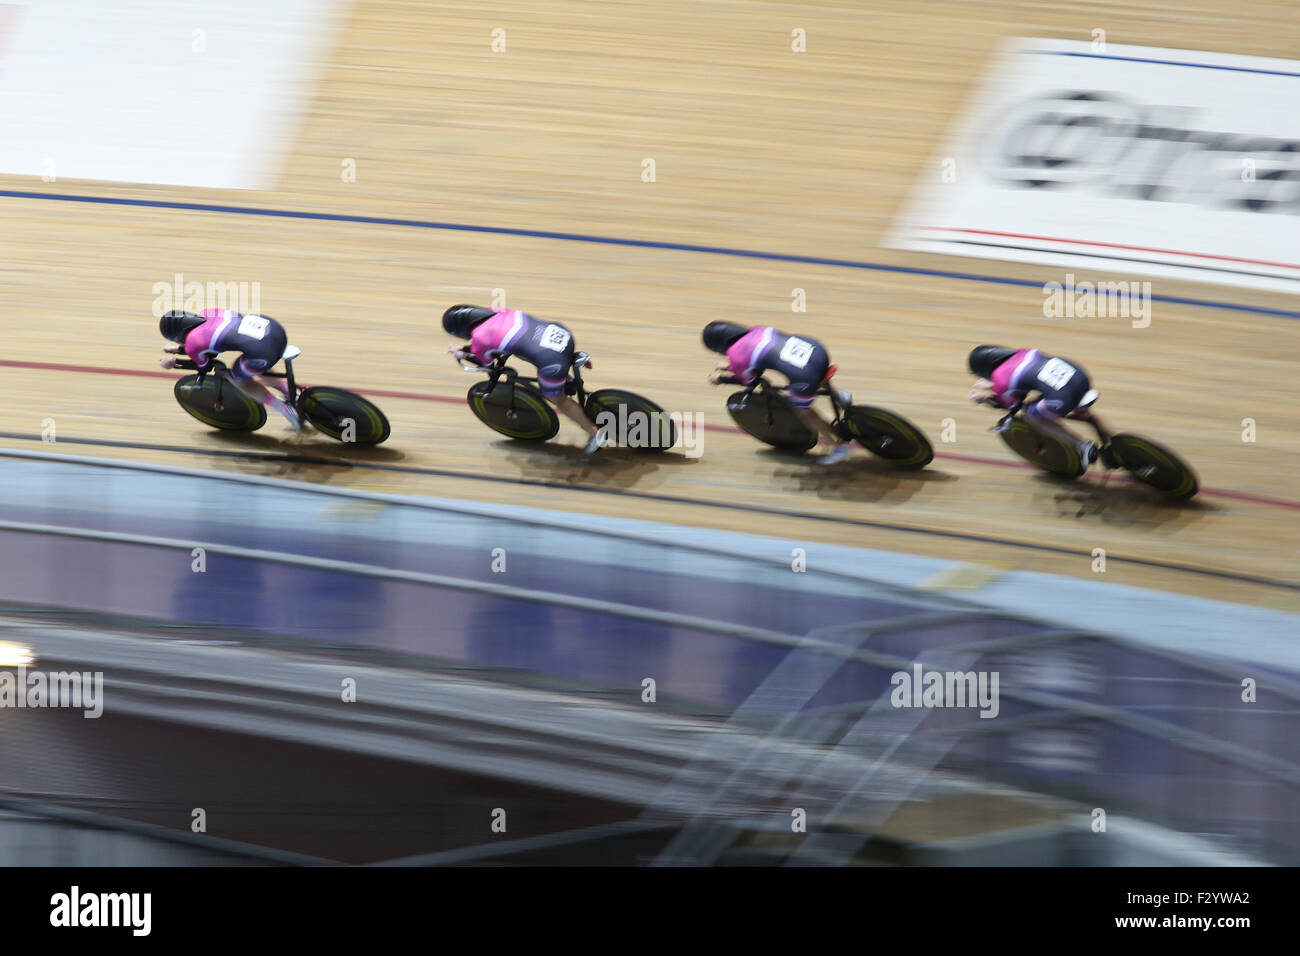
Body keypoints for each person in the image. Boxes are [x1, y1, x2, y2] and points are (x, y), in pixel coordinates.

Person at [443, 305, 606, 453]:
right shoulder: (498, 310)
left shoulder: (479, 338)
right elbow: (504, 339)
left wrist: (463, 353)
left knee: (558, 399)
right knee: (524, 351)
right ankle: (567, 379)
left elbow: (488, 365)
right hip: (560, 333)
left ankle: (595, 434)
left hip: (552, 359)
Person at [702, 322, 852, 464]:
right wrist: (733, 367)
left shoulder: (737, 357)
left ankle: (838, 447)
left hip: (806, 375)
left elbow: (750, 382)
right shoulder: (756, 329)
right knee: (814, 372)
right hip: (817, 350)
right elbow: (755, 359)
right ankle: (839, 397)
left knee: (804, 411)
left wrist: (721, 379)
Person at [966, 345, 1111, 475]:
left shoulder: (999, 379)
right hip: (1080, 377)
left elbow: (1010, 406)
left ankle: (1083, 446)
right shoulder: (1023, 352)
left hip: (1064, 395)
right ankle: (1111, 444)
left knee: (1030, 414)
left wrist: (986, 398)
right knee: (1075, 412)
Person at [158, 309, 301, 429]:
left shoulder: (192, 343)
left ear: (178, 336)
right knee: (252, 364)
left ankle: (283, 408)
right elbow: (209, 346)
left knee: (236, 377)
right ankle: (289, 391)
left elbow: (205, 366)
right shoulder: (210, 312)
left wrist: (174, 362)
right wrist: (179, 349)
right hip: (274, 329)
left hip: (263, 351)